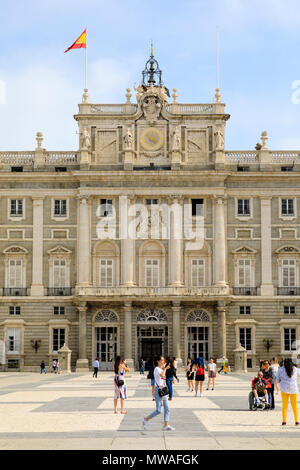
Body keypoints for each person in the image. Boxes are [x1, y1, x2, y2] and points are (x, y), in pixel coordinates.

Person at [142, 355, 175, 431]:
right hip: (158, 391)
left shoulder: (162, 369)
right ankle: (146, 419)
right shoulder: (156, 369)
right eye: (161, 360)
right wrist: (165, 369)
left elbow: (163, 378)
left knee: (167, 408)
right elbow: (162, 375)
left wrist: (166, 368)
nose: (163, 362)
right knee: (158, 410)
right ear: (158, 361)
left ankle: (166, 425)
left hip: (163, 390)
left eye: (163, 360)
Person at [277, 358, 300, 426]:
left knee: (284, 406)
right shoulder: (295, 369)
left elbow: (278, 380)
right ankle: (296, 421)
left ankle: (284, 421)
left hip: (284, 389)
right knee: (294, 406)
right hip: (293, 389)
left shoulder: (280, 369)